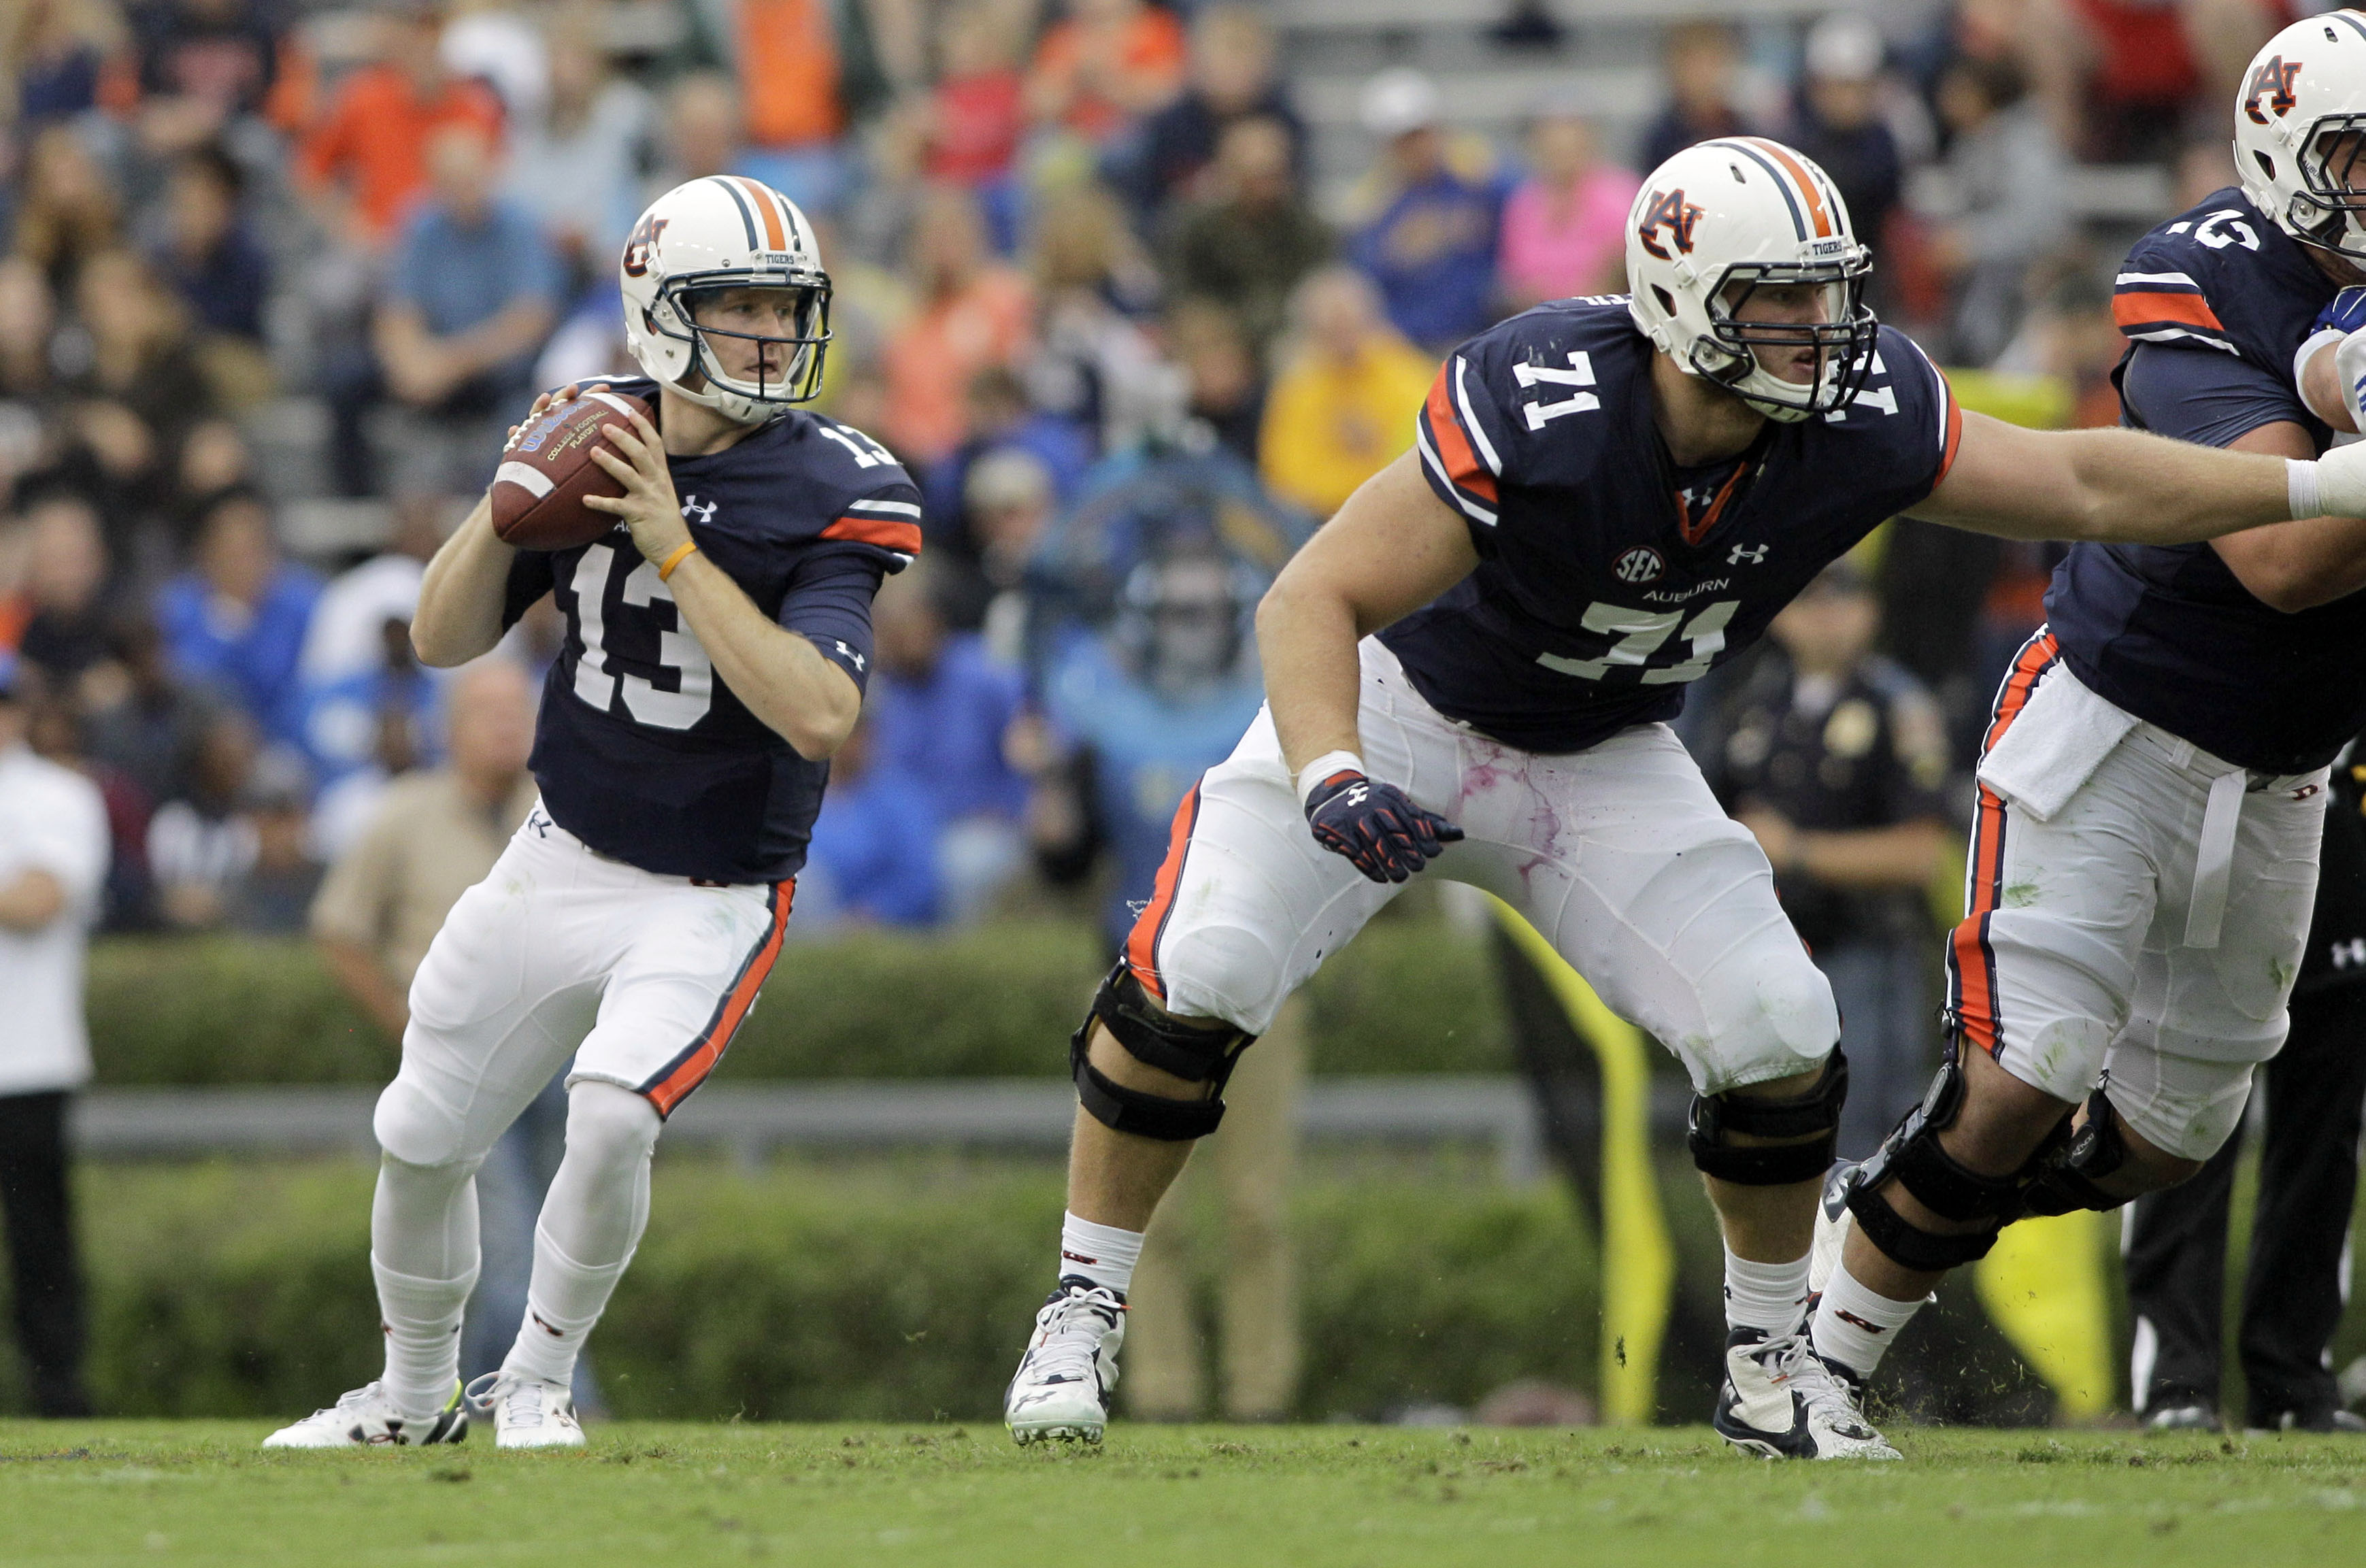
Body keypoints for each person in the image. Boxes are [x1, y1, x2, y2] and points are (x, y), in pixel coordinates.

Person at [997, 135, 2366, 1459]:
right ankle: (1077, 1305)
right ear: (1677, 301)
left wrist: (2305, 484)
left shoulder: (1858, 410)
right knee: (1204, 964)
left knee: (1776, 1030)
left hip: (1599, 753)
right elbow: (1314, 591)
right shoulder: (1544, 396)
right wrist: (1330, 766)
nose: (1816, 327)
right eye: (1777, 298)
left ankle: (1771, 1372)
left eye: (1828, 291)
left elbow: (2073, 477)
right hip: (1405, 715)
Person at [264, 173, 920, 1450]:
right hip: (558, 856)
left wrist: (674, 543)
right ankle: (407, 1398)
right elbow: (443, 638)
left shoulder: (838, 482)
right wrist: (508, 495)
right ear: (660, 313)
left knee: (614, 1111)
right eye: (739, 308)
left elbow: (818, 715)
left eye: (784, 309)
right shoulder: (595, 433)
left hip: (713, 890)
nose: (773, 338)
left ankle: (539, 1379)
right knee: (417, 1135)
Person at [1807, 21, 2366, 1429]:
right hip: (2121, 718)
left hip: (2288, 766)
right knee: (2017, 1081)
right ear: (2285, 159)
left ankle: (1897, 1209)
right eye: (2360, 159)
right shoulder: (2192, 273)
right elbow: (2281, 560)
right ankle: (1806, 1364)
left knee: (2166, 1143)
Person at [1031, 546, 1296, 1423]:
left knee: (1257, 1207)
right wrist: (1049, 802)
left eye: (1203, 613)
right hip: (1139, 984)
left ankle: (1261, 1395)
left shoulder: (1270, 709)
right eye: (1175, 614)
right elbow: (1068, 857)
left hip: (1261, 982)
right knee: (1152, 1216)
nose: (1191, 632)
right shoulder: (1104, 720)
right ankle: (1162, 1393)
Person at [305, 656, 596, 1401]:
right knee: (503, 1244)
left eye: (517, 710)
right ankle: (560, 1398)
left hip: (557, 1060)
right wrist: (406, 1024)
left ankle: (470, 1397)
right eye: (487, 711)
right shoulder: (405, 813)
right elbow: (339, 929)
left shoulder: (566, 810)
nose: (507, 725)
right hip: (462, 1063)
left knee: (557, 1237)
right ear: (449, 727)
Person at [2122, 718, 2366, 1434]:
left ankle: (2293, 1378)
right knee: (2184, 1115)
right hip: (2220, 850)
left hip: (2341, 858)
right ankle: (2174, 1379)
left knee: (2325, 1137)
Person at [1700, 561, 1950, 1159]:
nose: (1826, 618)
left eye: (1843, 601)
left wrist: (1800, 852)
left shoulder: (1897, 706)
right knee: (1767, 1141)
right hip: (1767, 958)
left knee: (1865, 1140)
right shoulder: (1753, 708)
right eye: (1810, 602)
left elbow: (1923, 854)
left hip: (1863, 955)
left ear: (1871, 612)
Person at [0, 652, 109, 1416]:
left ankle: (58, 1390)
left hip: (28, 1055)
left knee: (41, 1244)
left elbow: (39, 901)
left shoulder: (60, 795)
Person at [372, 120, 563, 499]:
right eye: (450, 182)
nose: (462, 192)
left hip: (497, 367)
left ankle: (499, 499)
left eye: (470, 179)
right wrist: (409, 364)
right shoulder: (421, 225)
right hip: (435, 364)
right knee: (346, 382)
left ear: (491, 172)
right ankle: (370, 506)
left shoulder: (521, 225)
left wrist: (447, 364)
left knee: (522, 391)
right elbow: (398, 310)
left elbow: (531, 321)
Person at [1345, 68, 1507, 356]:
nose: (1416, 148)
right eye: (1403, 140)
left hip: (1482, 338)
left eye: (1421, 135)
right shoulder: (1375, 208)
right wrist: (1398, 252)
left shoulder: (1478, 181)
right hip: (1405, 349)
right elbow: (1365, 287)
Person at [1256, 267, 1433, 520]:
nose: (1345, 340)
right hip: (1318, 521)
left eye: (1353, 325)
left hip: (1397, 512)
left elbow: (1424, 455)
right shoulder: (1297, 388)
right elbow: (1284, 478)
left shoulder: (1406, 373)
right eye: (1330, 331)